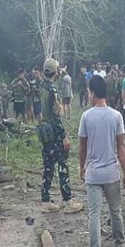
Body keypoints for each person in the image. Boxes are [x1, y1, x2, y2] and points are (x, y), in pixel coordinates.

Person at [78, 75, 125, 247]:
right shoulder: (116, 116)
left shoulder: (86, 117)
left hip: (93, 174)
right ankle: (119, 246)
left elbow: (82, 146)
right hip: (111, 174)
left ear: (92, 93)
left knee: (94, 214)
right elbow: (121, 147)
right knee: (115, 211)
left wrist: (81, 167)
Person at [38, 58, 83, 214]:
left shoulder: (41, 87)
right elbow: (56, 116)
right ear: (55, 72)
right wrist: (64, 136)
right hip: (54, 133)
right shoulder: (52, 90)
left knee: (48, 167)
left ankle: (45, 200)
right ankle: (67, 200)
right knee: (63, 164)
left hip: (45, 131)